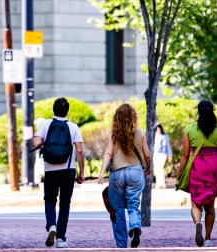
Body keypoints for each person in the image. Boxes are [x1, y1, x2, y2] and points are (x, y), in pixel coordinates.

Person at [176, 100, 217, 248]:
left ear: (199, 111)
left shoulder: (189, 129)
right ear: (213, 111)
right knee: (210, 207)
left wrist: (179, 175)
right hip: (214, 168)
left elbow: (184, 155)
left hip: (197, 167)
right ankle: (208, 238)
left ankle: (198, 223)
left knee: (196, 203)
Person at [32, 97, 85, 249]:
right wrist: (82, 171)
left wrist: (44, 141)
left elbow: (36, 143)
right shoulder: (73, 127)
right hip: (68, 169)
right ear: (67, 111)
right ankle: (61, 239)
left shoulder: (45, 124)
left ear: (53, 109)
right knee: (65, 204)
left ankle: (51, 226)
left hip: (50, 169)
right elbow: (79, 151)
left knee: (49, 199)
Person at [97, 103, 151, 248]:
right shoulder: (139, 132)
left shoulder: (114, 134)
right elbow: (147, 154)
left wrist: (102, 172)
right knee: (133, 204)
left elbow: (108, 153)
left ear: (117, 117)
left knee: (118, 208)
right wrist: (148, 168)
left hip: (117, 173)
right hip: (135, 171)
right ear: (133, 116)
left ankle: (121, 244)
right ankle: (134, 227)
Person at [153, 124, 173, 189]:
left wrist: (170, 155)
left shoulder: (164, 136)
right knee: (156, 169)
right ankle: (158, 183)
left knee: (160, 167)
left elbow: (168, 146)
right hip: (155, 154)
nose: (157, 129)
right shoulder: (153, 136)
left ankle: (162, 184)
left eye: (158, 128)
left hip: (162, 154)